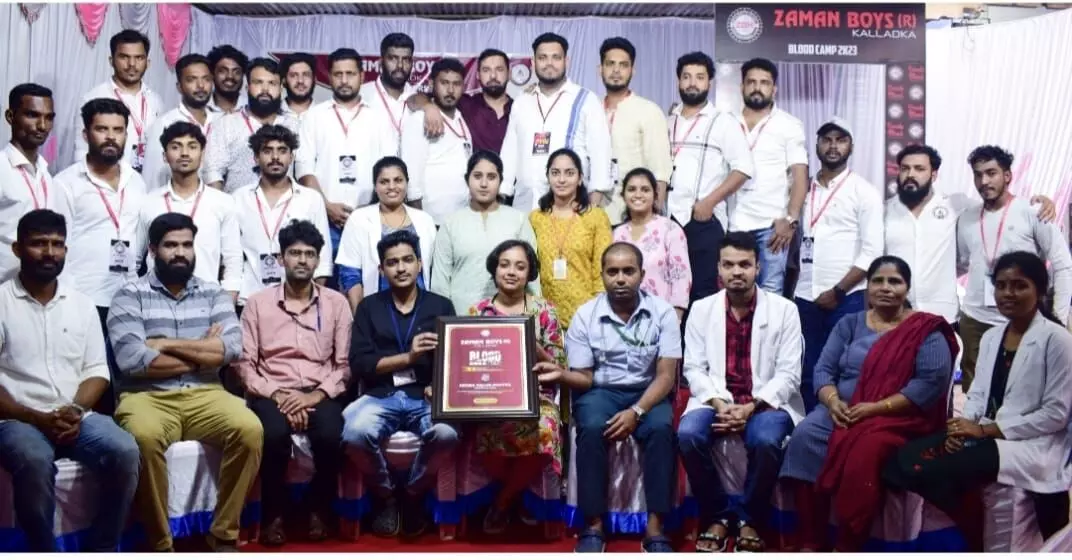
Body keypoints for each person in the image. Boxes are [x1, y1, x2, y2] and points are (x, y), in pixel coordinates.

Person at [883, 251, 1072, 550]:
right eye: (1001, 285)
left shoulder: (1057, 339)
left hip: (1032, 445)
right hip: (984, 436)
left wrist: (984, 431)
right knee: (900, 462)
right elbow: (978, 394)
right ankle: (968, 521)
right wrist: (962, 429)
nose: (1008, 293)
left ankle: (976, 532)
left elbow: (1056, 414)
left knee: (933, 469)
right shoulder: (992, 337)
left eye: (1019, 285)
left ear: (1039, 290)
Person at [779, 256, 957, 552]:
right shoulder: (849, 324)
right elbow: (823, 370)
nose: (885, 288)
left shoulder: (925, 330)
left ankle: (849, 542)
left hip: (897, 418)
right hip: (842, 410)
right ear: (867, 287)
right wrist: (833, 402)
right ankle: (812, 536)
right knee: (805, 435)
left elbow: (929, 385)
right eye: (878, 281)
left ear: (907, 288)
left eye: (894, 281)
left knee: (865, 450)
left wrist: (874, 409)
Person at [106, 212, 260, 553]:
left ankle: (223, 534)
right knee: (144, 438)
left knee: (249, 429)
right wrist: (203, 351)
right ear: (152, 250)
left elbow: (233, 348)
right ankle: (161, 543)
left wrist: (164, 343)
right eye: (171, 245)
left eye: (187, 245)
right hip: (146, 397)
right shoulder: (129, 295)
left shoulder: (213, 293)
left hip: (206, 394)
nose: (180, 253)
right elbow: (132, 361)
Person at [0, 210, 139, 552]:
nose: (50, 252)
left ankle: (101, 549)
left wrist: (75, 410)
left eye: (57, 244)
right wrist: (35, 418)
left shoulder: (81, 304)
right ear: (17, 249)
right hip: (17, 419)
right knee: (34, 460)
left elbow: (97, 370)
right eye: (39, 243)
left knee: (125, 450)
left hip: (76, 415)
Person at [677, 232, 804, 552]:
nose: (737, 272)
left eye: (745, 264)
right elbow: (693, 368)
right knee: (689, 434)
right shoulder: (701, 309)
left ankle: (750, 519)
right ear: (718, 269)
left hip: (766, 402)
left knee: (765, 439)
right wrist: (721, 405)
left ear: (758, 267)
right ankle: (718, 515)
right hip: (716, 399)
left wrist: (750, 408)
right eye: (729, 264)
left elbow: (789, 374)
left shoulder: (785, 310)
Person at [556, 242, 681, 553]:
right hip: (601, 391)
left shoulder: (663, 313)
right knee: (591, 427)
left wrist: (637, 411)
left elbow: (666, 376)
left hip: (648, 390)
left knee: (661, 429)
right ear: (602, 275)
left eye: (628, 271)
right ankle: (593, 525)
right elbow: (584, 377)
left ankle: (655, 527)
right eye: (612, 272)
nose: (620, 279)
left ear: (642, 274)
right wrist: (558, 374)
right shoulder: (585, 315)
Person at [238, 220, 352, 547]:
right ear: (280, 258)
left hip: (320, 392)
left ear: (318, 260)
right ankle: (273, 514)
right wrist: (278, 395)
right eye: (295, 253)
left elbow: (344, 366)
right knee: (272, 435)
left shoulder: (337, 303)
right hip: (272, 392)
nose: (302, 260)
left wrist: (313, 397)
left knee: (332, 435)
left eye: (309, 254)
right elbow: (244, 365)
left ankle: (318, 509)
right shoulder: (257, 304)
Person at [342, 230, 459, 538]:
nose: (401, 268)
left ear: (420, 264)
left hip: (426, 395)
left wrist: (439, 385)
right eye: (392, 263)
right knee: (354, 433)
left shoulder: (441, 305)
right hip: (381, 394)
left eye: (408, 260)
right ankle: (387, 495)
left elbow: (454, 359)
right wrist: (409, 357)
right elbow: (361, 364)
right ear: (381, 269)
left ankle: (412, 493)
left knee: (447, 433)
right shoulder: (369, 307)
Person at [884, 144, 1056, 324]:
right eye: (905, 168)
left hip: (942, 315)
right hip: (895, 313)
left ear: (933, 175)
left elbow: (997, 206)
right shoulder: (884, 212)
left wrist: (1042, 202)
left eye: (919, 169)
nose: (910, 174)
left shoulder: (956, 205)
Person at [55, 98, 149, 412]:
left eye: (118, 130)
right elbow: (57, 247)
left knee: (126, 382)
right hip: (83, 297)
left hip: (127, 297)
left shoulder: (136, 182)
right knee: (87, 380)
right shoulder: (65, 184)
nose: (111, 137)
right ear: (86, 134)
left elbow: (139, 240)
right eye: (102, 129)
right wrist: (68, 298)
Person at [466, 239, 565, 532]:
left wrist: (532, 345)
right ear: (494, 269)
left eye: (520, 267)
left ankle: (503, 501)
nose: (511, 272)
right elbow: (466, 364)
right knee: (480, 432)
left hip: (536, 395)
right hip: (488, 397)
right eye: (505, 265)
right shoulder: (478, 312)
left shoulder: (544, 310)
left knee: (545, 430)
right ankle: (516, 494)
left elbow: (558, 366)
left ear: (529, 273)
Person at [955, 145, 1072, 391]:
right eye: (978, 174)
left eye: (991, 173)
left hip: (1023, 318)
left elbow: (1063, 265)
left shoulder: (1033, 212)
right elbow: (961, 264)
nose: (984, 181)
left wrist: (1058, 319)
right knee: (975, 391)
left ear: (1007, 176)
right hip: (976, 320)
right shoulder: (966, 218)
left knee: (1024, 390)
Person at [794, 118, 883, 412]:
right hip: (804, 294)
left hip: (846, 297)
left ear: (851, 146)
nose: (833, 146)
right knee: (806, 368)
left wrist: (838, 291)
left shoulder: (864, 191)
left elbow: (872, 252)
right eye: (827, 139)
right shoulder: (802, 189)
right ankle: (808, 426)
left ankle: (842, 430)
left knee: (845, 369)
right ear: (817, 144)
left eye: (840, 140)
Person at [667, 51, 754, 304]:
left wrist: (709, 203)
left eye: (700, 77)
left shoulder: (723, 122)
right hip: (669, 218)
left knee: (702, 295)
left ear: (709, 83)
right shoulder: (667, 120)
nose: (692, 83)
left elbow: (743, 169)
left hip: (703, 219)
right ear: (678, 81)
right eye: (686, 77)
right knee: (669, 291)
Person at [296, 48, 395, 260]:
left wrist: (366, 211)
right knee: (324, 277)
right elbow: (304, 169)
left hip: (369, 218)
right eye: (338, 74)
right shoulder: (313, 117)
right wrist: (326, 206)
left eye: (350, 74)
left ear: (362, 76)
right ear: (329, 77)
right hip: (323, 219)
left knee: (366, 277)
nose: (344, 80)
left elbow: (388, 170)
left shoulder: (379, 119)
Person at [501, 33, 613, 211]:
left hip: (570, 206)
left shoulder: (585, 99)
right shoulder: (522, 102)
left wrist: (592, 207)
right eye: (543, 58)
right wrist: (502, 194)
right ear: (533, 62)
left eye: (556, 57)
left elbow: (601, 153)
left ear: (566, 61)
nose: (549, 63)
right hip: (524, 204)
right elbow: (509, 152)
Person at [728, 58, 809, 294]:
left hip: (772, 227)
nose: (757, 88)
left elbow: (800, 178)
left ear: (774, 89)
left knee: (771, 293)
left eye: (764, 83)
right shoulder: (727, 122)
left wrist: (791, 220)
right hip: (733, 223)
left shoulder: (789, 124)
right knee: (733, 293)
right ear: (741, 87)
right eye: (751, 82)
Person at [138, 122, 242, 301]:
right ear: (164, 156)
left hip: (207, 301)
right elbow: (135, 259)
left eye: (192, 147)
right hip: (155, 301)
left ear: (202, 154)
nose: (184, 153)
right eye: (176, 147)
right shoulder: (149, 203)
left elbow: (232, 260)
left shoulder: (223, 202)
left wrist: (226, 305)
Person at [232, 125, 332, 307]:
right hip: (249, 299)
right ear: (256, 157)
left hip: (298, 300)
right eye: (267, 151)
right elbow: (233, 257)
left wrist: (309, 302)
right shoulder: (239, 198)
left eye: (282, 151)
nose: (275, 157)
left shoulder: (311, 199)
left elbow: (322, 258)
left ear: (291, 157)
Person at [431, 151, 540, 313]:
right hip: (461, 316)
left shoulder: (518, 220)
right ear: (467, 179)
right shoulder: (450, 223)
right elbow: (440, 283)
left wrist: (535, 316)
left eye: (491, 177)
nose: (483, 184)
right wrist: (445, 320)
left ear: (500, 180)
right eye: (477, 176)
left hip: (511, 318)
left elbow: (532, 276)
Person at [336, 157, 437, 311]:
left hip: (421, 310)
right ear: (375, 186)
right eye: (384, 182)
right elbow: (350, 274)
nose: (392, 187)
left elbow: (432, 270)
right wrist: (361, 316)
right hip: (377, 310)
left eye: (398, 180)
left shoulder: (425, 220)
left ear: (407, 183)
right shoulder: (359, 219)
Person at [529, 148, 613, 327]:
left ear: (580, 178)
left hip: (585, 315)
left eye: (569, 173)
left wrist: (597, 313)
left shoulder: (595, 217)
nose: (561, 179)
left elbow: (602, 269)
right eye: (555, 173)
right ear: (548, 177)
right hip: (544, 316)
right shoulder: (536, 218)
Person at [598, 37, 673, 225]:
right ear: (600, 69)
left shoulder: (648, 111)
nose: (616, 70)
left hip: (634, 216)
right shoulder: (591, 109)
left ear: (633, 70)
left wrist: (652, 221)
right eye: (610, 64)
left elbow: (660, 173)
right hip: (595, 215)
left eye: (623, 65)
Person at [204, 57, 301, 193]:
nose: (265, 89)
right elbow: (213, 173)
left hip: (284, 204)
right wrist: (221, 205)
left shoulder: (294, 125)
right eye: (258, 82)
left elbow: (303, 171)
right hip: (236, 204)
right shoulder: (226, 124)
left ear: (281, 89)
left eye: (272, 83)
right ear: (247, 87)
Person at [2, 83, 67, 284]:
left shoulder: (46, 174)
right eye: (32, 115)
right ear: (10, 117)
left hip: (40, 286)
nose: (42, 126)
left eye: (49, 118)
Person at [76, 30, 163, 172]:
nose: (132, 64)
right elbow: (81, 151)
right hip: (109, 179)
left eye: (139, 58)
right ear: (111, 61)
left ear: (148, 62)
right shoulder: (94, 97)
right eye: (124, 57)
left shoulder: (155, 100)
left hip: (148, 181)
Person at [612, 167, 691, 322]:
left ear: (655, 195)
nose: (638, 194)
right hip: (621, 319)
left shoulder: (670, 229)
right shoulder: (617, 234)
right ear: (623, 195)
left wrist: (676, 318)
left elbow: (681, 277)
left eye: (645, 190)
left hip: (661, 318)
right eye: (632, 189)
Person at [401, 58, 473, 225]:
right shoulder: (420, 119)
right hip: (431, 219)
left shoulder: (461, 119)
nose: (450, 90)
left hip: (460, 217)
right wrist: (419, 221)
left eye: (456, 84)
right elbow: (411, 176)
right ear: (432, 84)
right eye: (444, 83)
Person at [409, 48, 514, 154]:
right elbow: (413, 99)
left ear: (509, 74)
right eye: (486, 70)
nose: (493, 76)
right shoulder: (466, 104)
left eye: (499, 69)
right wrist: (428, 107)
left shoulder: (519, 109)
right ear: (477, 75)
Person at [141, 53, 222, 190]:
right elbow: (152, 179)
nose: (201, 85)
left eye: (206, 79)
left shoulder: (222, 121)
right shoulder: (165, 124)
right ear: (179, 86)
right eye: (191, 80)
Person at [359, 33, 419, 148]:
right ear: (381, 62)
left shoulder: (419, 101)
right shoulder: (362, 95)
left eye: (406, 59)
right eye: (393, 58)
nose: (400, 65)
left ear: (412, 63)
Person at [206, 45, 249, 114]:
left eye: (237, 72)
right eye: (223, 71)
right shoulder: (201, 107)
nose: (230, 76)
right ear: (212, 74)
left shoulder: (251, 108)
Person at [279, 52, 317, 120]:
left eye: (306, 74)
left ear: (315, 79)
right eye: (293, 75)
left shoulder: (325, 114)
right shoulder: (272, 114)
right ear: (284, 80)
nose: (300, 81)